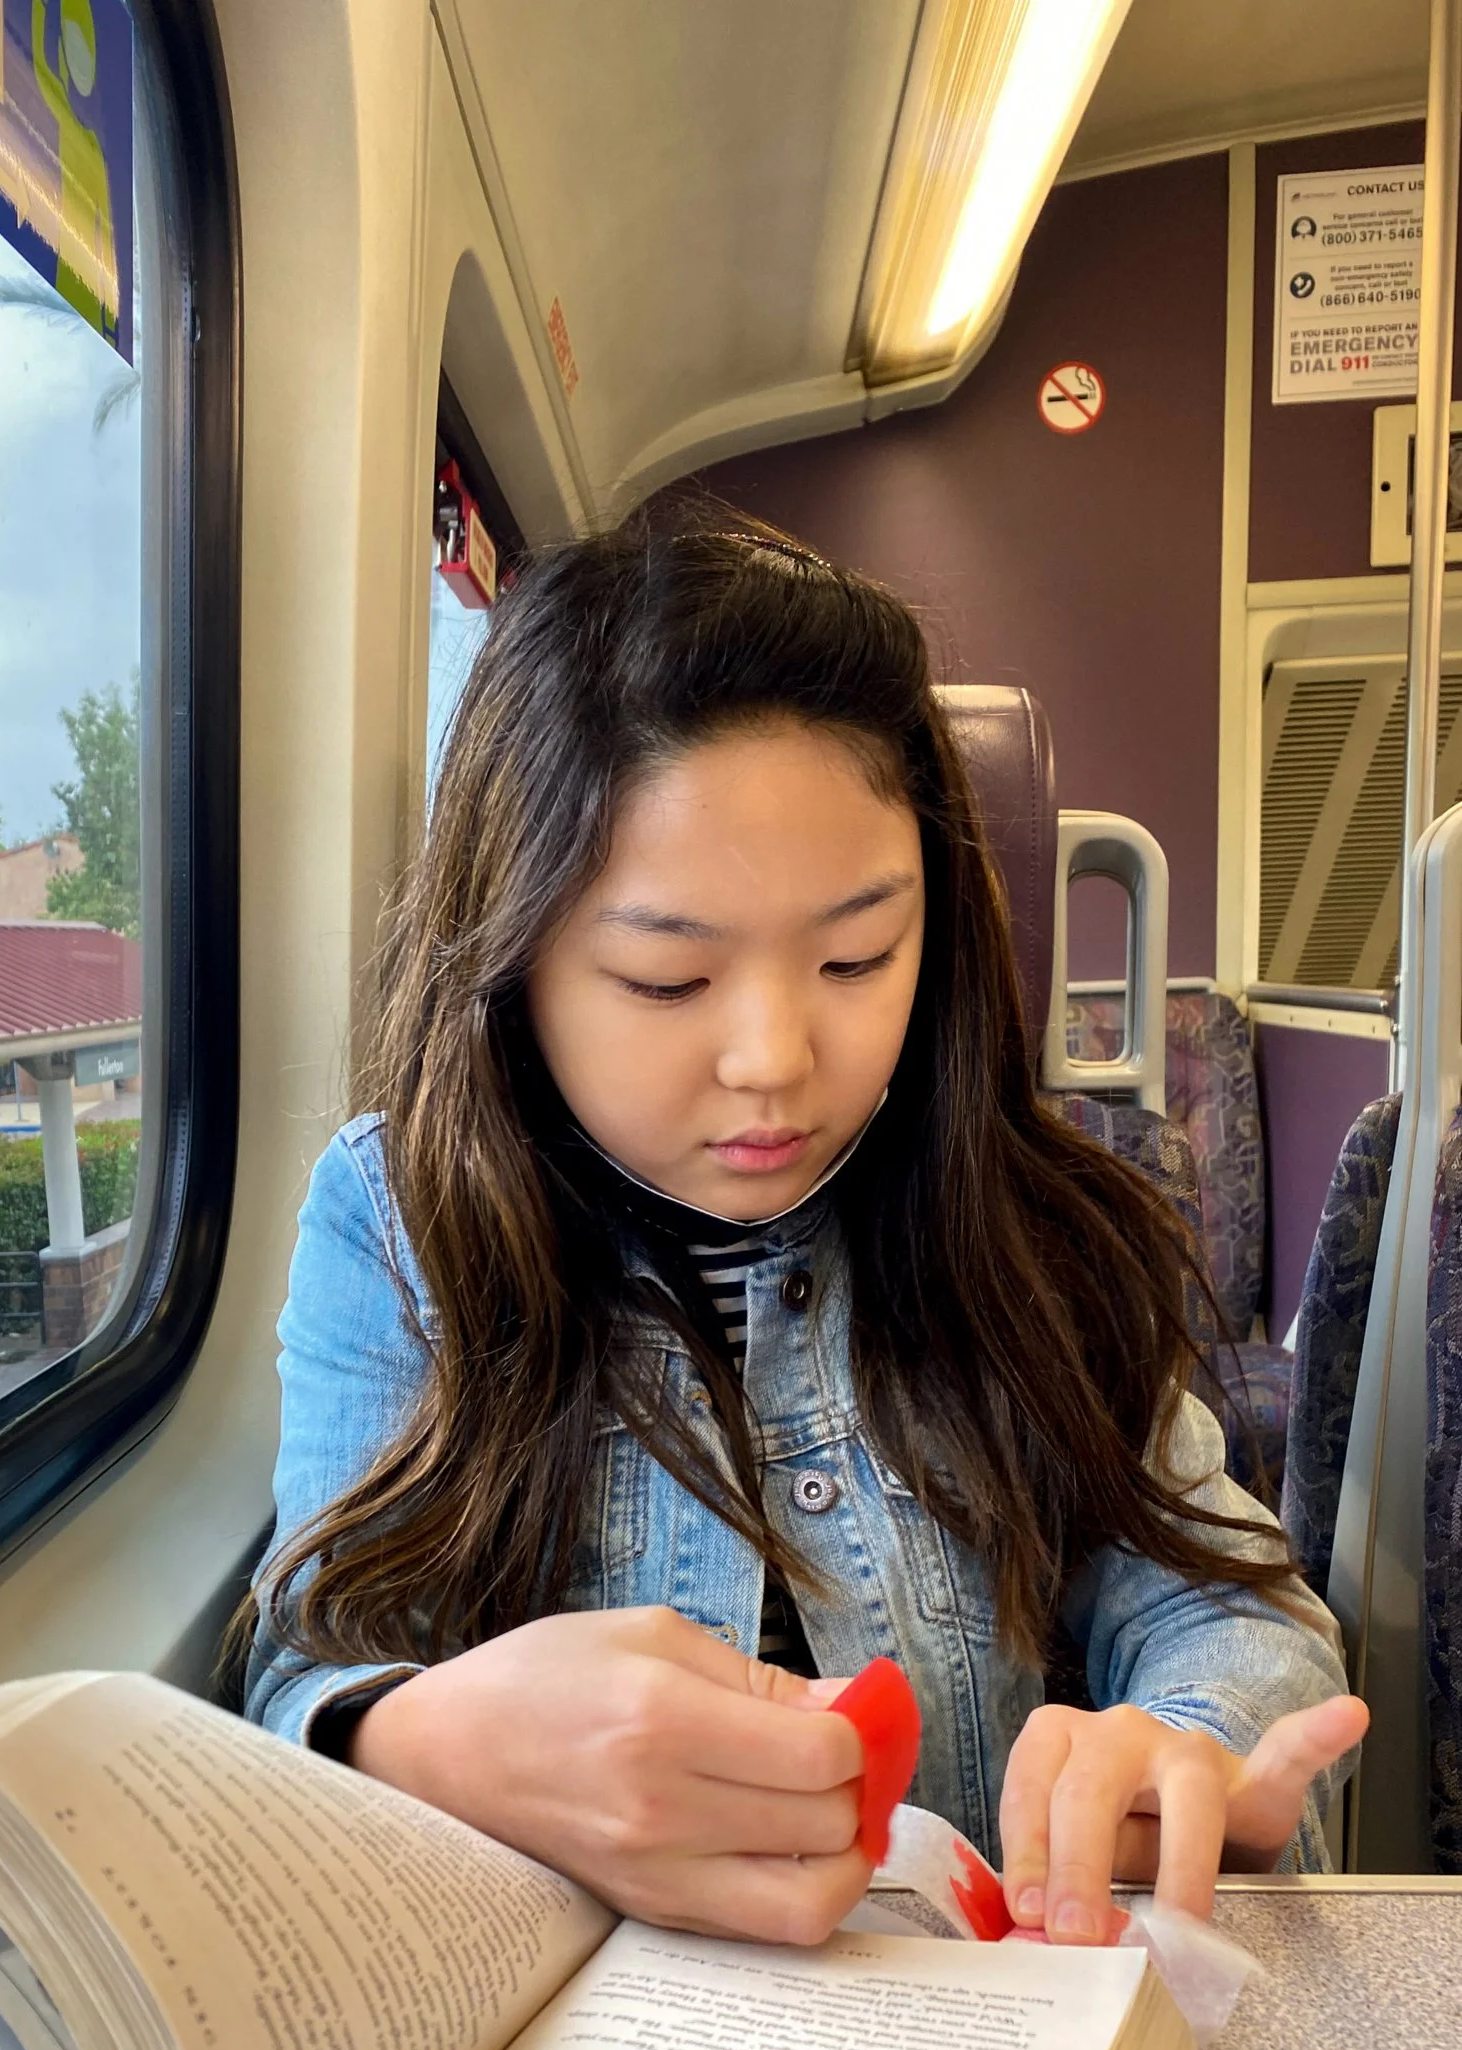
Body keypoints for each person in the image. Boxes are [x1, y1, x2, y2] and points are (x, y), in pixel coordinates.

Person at [237, 517, 1364, 1950]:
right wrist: (417, 1741)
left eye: (853, 958)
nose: (773, 1058)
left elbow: (1228, 1601)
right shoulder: (398, 1224)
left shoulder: (1037, 1230)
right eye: (663, 979)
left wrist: (1182, 1738)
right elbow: (313, 1659)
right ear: (512, 961)